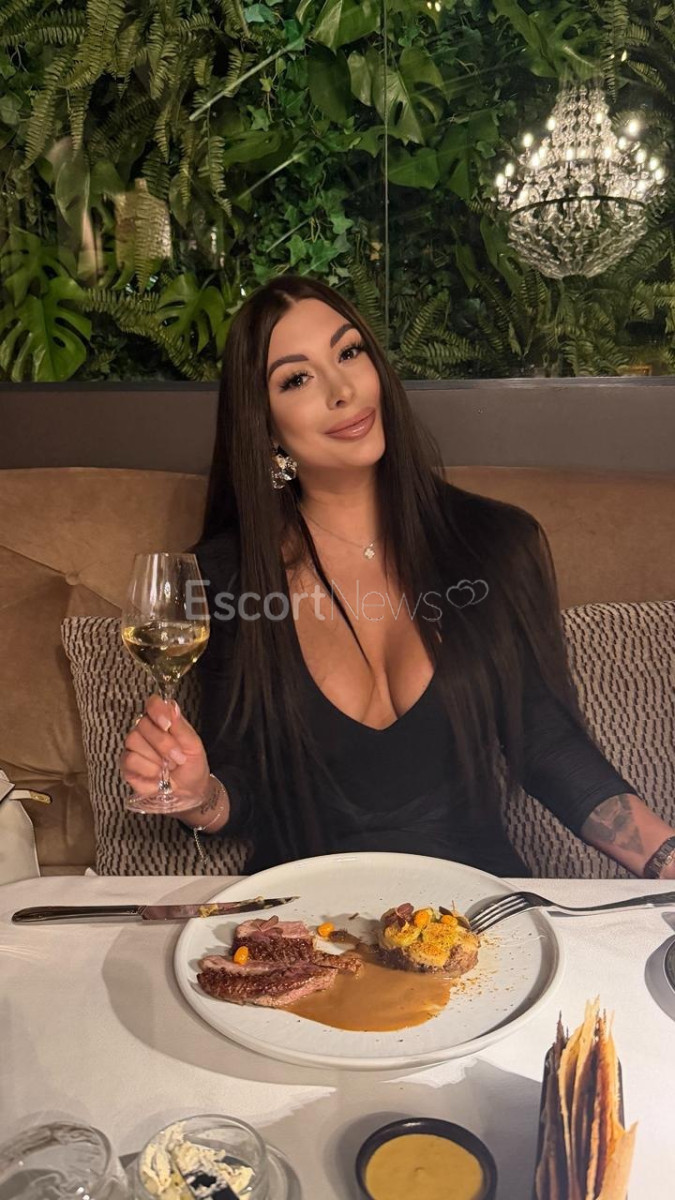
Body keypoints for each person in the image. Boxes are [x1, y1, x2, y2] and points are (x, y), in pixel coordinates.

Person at [121, 274, 675, 881]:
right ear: (265, 425)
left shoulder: (494, 544)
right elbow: (244, 786)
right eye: (297, 378)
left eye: (349, 352)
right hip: (306, 917)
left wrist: (665, 858)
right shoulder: (226, 577)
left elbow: (547, 744)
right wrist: (200, 796)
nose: (343, 390)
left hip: (475, 909)